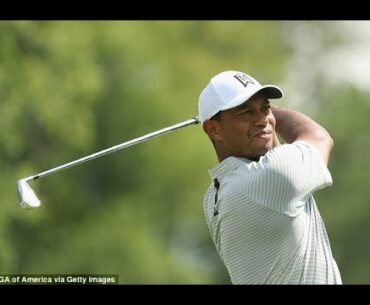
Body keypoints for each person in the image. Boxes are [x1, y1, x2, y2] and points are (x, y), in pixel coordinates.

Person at [198, 70, 342, 284]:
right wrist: (272, 111)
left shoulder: (214, 196)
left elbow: (271, 149)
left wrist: (257, 113)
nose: (262, 120)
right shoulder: (270, 177)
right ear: (214, 129)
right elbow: (319, 136)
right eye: (244, 112)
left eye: (265, 108)